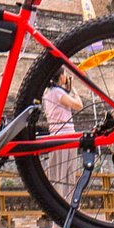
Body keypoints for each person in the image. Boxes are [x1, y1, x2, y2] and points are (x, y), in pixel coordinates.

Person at [42, 67, 84, 202]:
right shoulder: (58, 92)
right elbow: (79, 105)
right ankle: (68, 206)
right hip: (66, 137)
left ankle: (58, 210)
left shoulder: (47, 93)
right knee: (68, 176)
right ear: (61, 77)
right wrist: (73, 90)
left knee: (56, 177)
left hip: (54, 136)